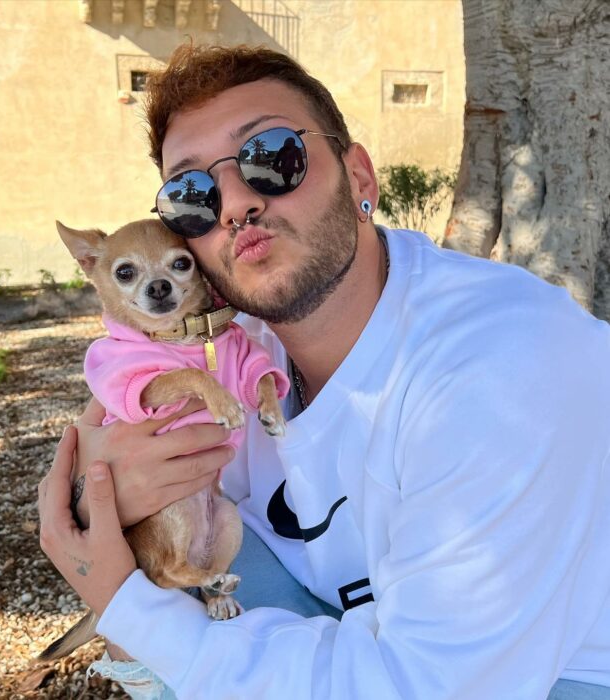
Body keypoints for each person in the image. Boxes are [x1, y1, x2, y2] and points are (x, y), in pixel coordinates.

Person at [38, 44, 610, 700]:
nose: (232, 204)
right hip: (346, 618)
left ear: (360, 179)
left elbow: (426, 686)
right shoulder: (236, 348)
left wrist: (122, 600)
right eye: (191, 193)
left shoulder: (502, 367)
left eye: (272, 156)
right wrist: (105, 504)